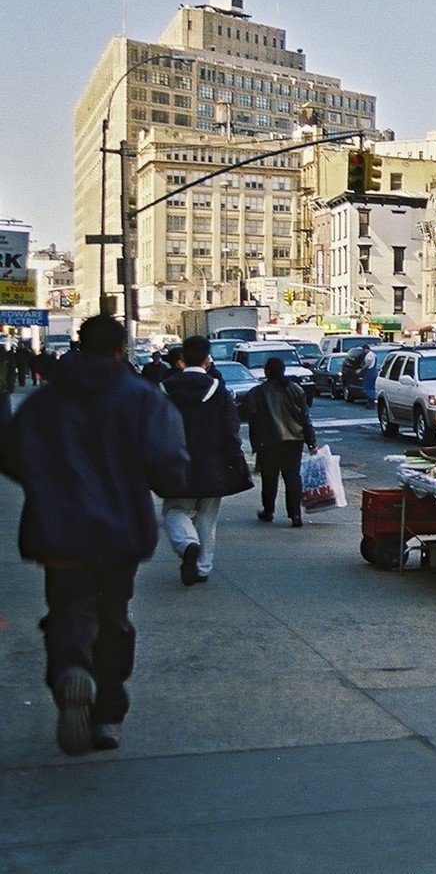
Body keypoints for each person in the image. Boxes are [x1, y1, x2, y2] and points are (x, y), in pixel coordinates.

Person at [0, 315, 188, 754]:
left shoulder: (45, 402)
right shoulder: (142, 398)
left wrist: (45, 487)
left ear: (79, 346)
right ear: (121, 349)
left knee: (67, 607)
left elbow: (10, 453)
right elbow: (168, 464)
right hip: (120, 533)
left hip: (58, 530)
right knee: (113, 615)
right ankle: (107, 714)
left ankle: (70, 671)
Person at [159, 335, 253, 585]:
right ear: (207, 359)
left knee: (175, 510)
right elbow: (230, 430)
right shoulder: (217, 389)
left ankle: (187, 544)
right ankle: (202, 567)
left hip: (175, 466)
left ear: (182, 359)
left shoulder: (164, 389)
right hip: (213, 464)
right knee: (208, 518)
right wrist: (235, 461)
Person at [239, 356, 316, 527]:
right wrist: (311, 442)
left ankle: (269, 511)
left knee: (269, 477)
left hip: (268, 440)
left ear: (267, 372)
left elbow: (245, 413)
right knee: (292, 477)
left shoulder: (258, 392)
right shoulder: (296, 390)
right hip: (294, 439)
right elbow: (305, 418)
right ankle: (295, 515)